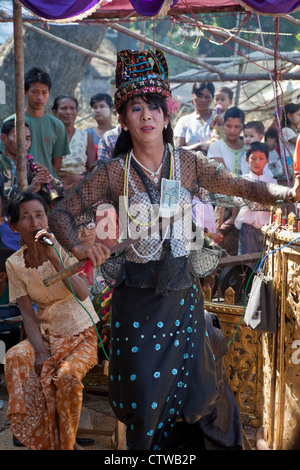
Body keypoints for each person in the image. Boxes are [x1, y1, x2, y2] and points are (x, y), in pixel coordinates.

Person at [47, 49, 300, 451]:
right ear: (124, 119)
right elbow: (60, 213)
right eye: (134, 107)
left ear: (166, 115)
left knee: (196, 398)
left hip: (183, 303)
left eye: (152, 107)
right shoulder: (115, 172)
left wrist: (288, 192)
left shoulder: (189, 164)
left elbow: (242, 187)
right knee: (146, 403)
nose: (145, 115)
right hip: (136, 307)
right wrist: (80, 245)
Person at [4, 191, 110, 450]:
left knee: (67, 377)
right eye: (26, 217)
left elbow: (83, 292)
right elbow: (27, 313)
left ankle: (66, 444)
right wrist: (39, 351)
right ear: (14, 225)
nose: (34, 222)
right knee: (16, 355)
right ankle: (41, 435)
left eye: (39, 215)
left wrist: (55, 258)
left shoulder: (63, 248)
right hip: (47, 337)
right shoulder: (15, 263)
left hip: (81, 336)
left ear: (48, 219)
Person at [0, 119, 63, 250]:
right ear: (3, 138)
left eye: (27, 138)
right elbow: (5, 197)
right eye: (18, 137)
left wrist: (48, 179)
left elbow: (59, 191)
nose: (24, 143)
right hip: (6, 223)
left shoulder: (32, 164)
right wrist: (32, 188)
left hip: (34, 221)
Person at [3, 68, 70, 178]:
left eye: (44, 92)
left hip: (48, 187)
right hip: (17, 187)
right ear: (25, 92)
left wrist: (47, 180)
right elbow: (4, 159)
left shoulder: (57, 125)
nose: (40, 97)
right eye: (34, 92)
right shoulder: (11, 123)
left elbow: (57, 163)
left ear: (49, 93)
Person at [75, 212, 113, 360]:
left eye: (90, 226)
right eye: (78, 228)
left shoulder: (106, 254)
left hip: (106, 323)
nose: (86, 232)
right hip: (81, 324)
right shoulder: (66, 259)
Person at [207, 107, 246, 232]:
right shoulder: (216, 146)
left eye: (237, 127)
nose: (232, 130)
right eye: (229, 126)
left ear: (242, 127)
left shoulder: (248, 148)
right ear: (223, 125)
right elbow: (222, 176)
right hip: (222, 203)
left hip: (244, 204)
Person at [234, 142, 277, 255]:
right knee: (246, 265)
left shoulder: (272, 183)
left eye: (261, 158)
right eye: (253, 158)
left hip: (267, 229)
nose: (257, 162)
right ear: (247, 159)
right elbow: (235, 201)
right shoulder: (243, 181)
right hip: (248, 229)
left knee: (266, 262)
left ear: (267, 160)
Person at [52, 95, 95, 194]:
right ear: (54, 112)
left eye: (72, 108)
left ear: (77, 112)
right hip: (54, 189)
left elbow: (91, 169)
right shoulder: (49, 137)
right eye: (63, 108)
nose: (68, 112)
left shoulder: (86, 137)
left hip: (79, 189)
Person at [174, 82, 215, 155]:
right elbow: (177, 150)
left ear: (212, 98)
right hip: (190, 165)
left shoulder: (218, 120)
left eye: (207, 97)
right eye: (199, 96)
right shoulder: (184, 121)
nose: (203, 100)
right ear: (192, 95)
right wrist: (199, 146)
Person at [280, 103, 300, 182]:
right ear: (289, 115)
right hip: (289, 162)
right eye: (298, 115)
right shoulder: (285, 130)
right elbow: (297, 142)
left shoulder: (294, 132)